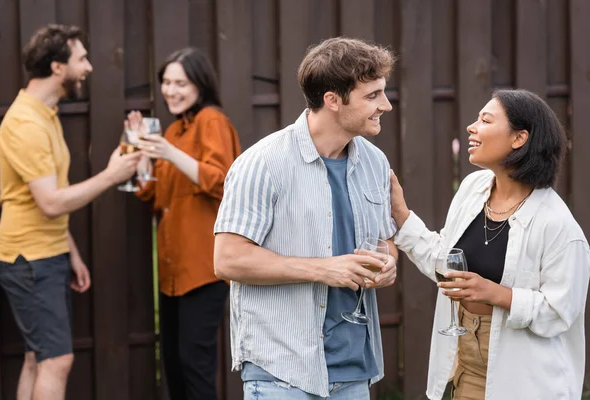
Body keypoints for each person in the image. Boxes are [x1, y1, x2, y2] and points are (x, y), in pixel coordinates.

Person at [213, 37, 399, 399]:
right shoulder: (263, 163)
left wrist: (389, 262)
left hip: (355, 372)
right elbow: (227, 259)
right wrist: (323, 269)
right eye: (372, 95)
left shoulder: (375, 163)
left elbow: (384, 240)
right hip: (283, 374)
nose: (386, 106)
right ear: (332, 99)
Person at [390, 89, 590, 399]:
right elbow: (446, 261)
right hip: (468, 371)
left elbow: (560, 312)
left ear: (519, 138)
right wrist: (401, 216)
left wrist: (497, 294)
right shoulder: (474, 188)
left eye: (485, 120)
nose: (472, 127)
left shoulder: (559, 227)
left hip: (526, 382)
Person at [0, 24, 141, 400]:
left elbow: (45, 200)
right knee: (56, 362)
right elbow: (51, 202)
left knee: (38, 358)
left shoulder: (45, 115)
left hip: (45, 253)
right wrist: (111, 175)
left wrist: (70, 252)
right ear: (57, 67)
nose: (88, 67)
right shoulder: (25, 124)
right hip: (29, 258)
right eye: (81, 59)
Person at [131, 47, 241, 400]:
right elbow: (152, 194)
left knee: (195, 363)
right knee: (175, 365)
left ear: (199, 85)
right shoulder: (175, 129)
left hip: (204, 269)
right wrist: (141, 153)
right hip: (173, 273)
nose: (171, 91)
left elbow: (222, 180)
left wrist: (167, 152)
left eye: (181, 82)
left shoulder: (212, 120)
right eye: (166, 82)